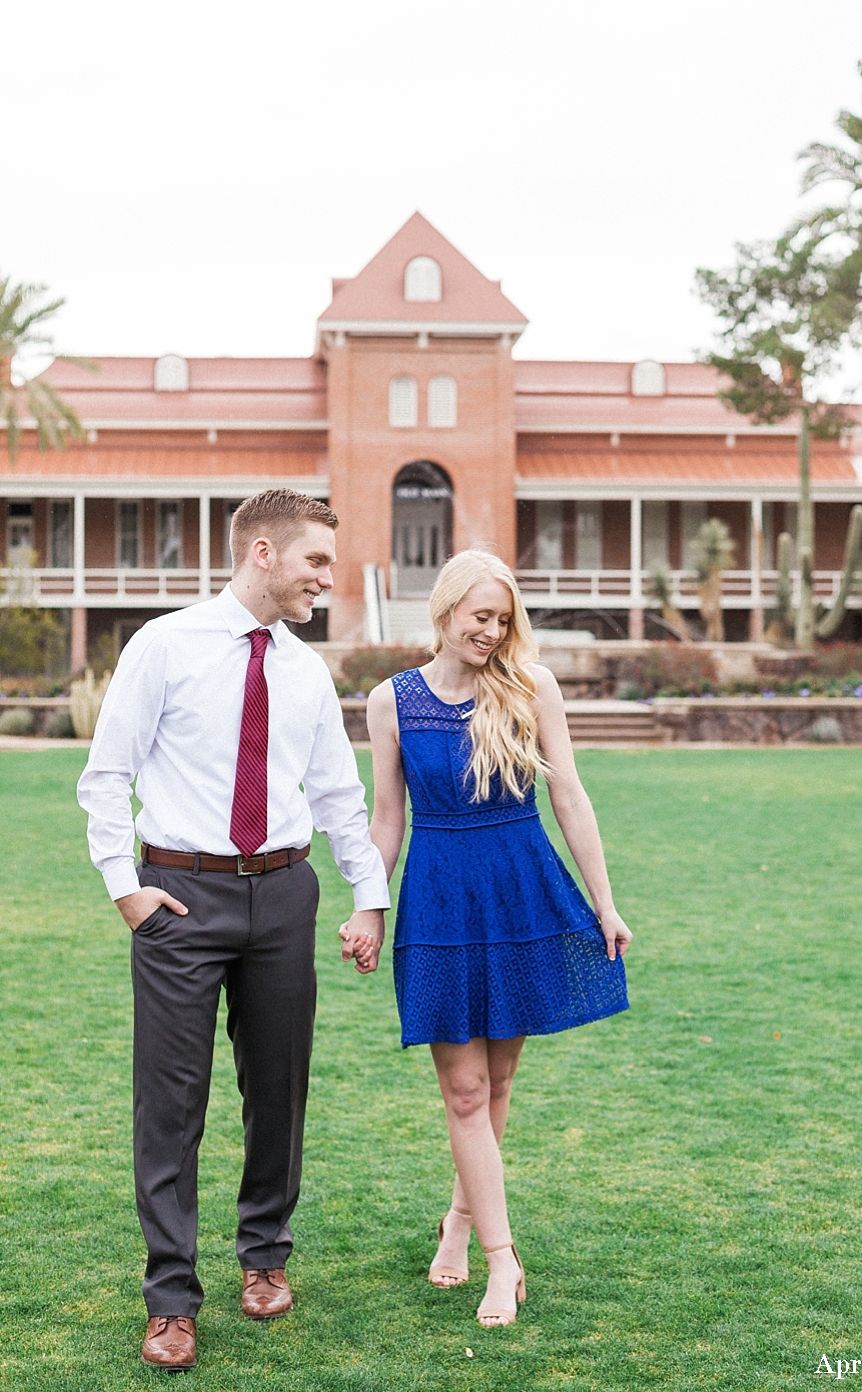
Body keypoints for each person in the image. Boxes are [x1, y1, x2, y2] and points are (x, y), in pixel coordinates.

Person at [77, 488, 388, 1373]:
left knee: (277, 1092)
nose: (325, 580)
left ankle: (265, 1257)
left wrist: (367, 898)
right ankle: (171, 1298)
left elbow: (336, 797)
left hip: (284, 895)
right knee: (170, 1107)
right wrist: (126, 890)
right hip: (179, 895)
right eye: (315, 562)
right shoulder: (164, 646)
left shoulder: (304, 671)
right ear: (262, 551)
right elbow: (107, 775)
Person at [365, 549, 631, 1329]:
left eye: (502, 618)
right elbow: (387, 819)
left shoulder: (529, 685)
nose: (491, 630)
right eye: (479, 616)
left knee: (499, 1082)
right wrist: (367, 906)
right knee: (465, 1088)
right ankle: (502, 1258)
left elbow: (570, 796)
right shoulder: (390, 701)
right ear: (444, 611)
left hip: (521, 889)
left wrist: (604, 904)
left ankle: (459, 1218)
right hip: (439, 898)